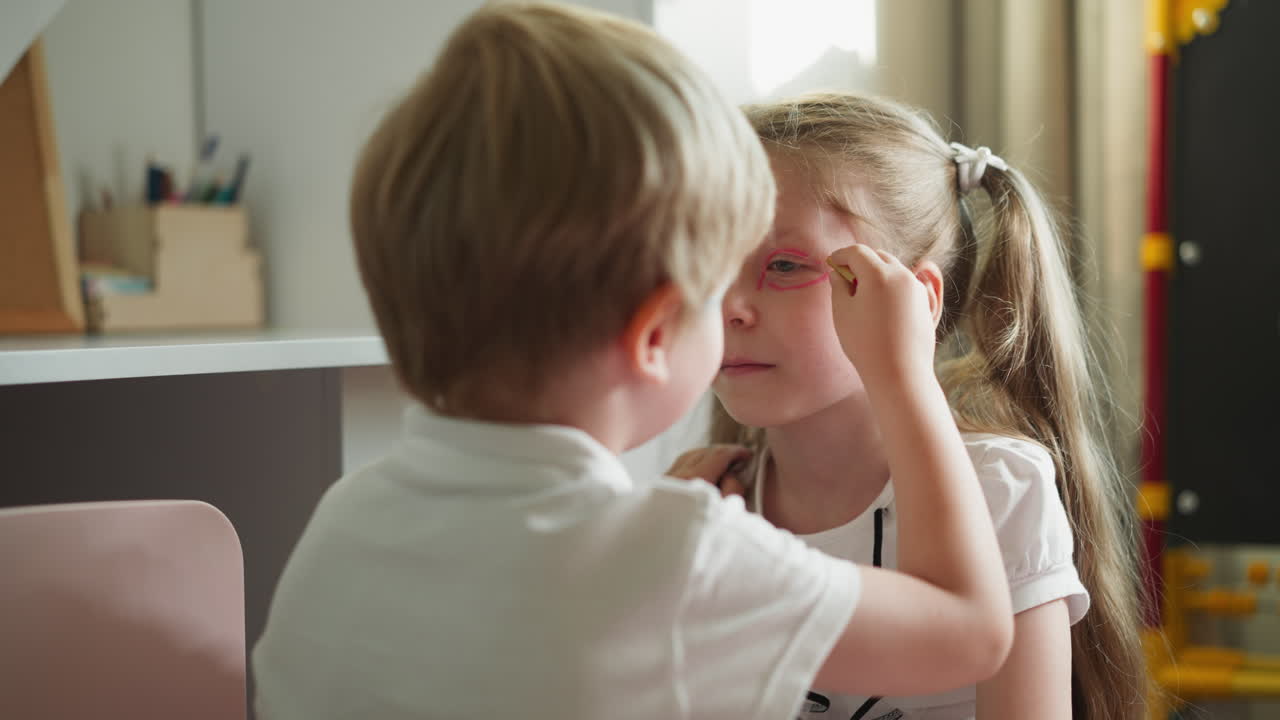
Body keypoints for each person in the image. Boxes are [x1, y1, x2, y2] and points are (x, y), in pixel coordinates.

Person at [251, 7, 1013, 719]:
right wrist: (903, 375)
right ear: (654, 335)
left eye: (777, 266)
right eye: (719, 275)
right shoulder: (675, 558)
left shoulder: (338, 525)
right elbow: (969, 629)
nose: (735, 306)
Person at [694, 91, 1146, 719]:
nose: (728, 306)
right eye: (707, 260)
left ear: (917, 298)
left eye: (787, 264)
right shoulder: (708, 507)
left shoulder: (1000, 489)